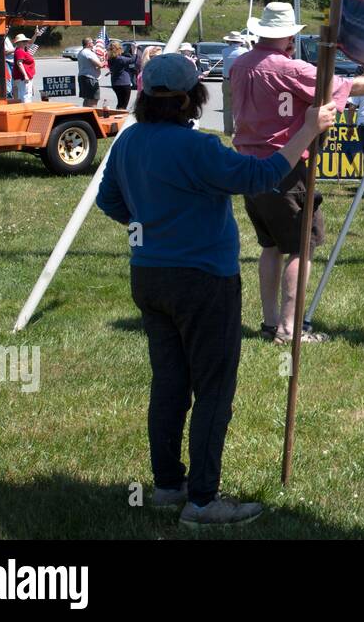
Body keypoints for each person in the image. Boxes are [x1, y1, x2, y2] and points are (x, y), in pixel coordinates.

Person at [96, 52, 338, 527]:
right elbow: (263, 176)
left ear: (144, 97)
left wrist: (151, 223)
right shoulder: (199, 149)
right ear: (191, 99)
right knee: (212, 389)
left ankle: (168, 485)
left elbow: (110, 201)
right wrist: (308, 129)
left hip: (149, 276)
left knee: (169, 382)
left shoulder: (127, 143)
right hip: (204, 282)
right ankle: (202, 501)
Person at [231, 2, 364, 344]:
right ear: (290, 35)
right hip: (283, 166)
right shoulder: (289, 69)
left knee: (271, 245)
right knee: (301, 245)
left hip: (247, 167)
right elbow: (345, 86)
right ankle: (289, 330)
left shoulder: (240, 64)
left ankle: (270, 321)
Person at [220, 32, 249, 136]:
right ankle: (238, 130)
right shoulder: (244, 51)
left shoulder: (224, 51)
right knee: (239, 107)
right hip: (239, 81)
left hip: (227, 80)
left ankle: (228, 130)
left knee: (227, 108)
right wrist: (248, 44)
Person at [107, 40, 137, 110]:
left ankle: (117, 115)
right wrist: (134, 50)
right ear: (118, 49)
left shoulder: (110, 59)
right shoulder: (120, 59)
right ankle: (120, 118)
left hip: (115, 83)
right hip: (123, 83)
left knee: (120, 103)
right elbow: (132, 60)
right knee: (124, 104)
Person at [76, 38, 104, 107]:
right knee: (93, 100)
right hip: (90, 79)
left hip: (83, 77)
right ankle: (91, 116)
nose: (93, 43)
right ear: (88, 44)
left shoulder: (81, 52)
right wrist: (104, 62)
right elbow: (99, 65)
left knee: (87, 99)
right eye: (92, 42)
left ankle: (85, 114)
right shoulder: (88, 52)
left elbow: (91, 64)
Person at [11, 34, 36, 102]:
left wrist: (35, 34)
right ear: (18, 43)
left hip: (26, 77)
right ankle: (26, 111)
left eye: (25, 41)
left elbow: (31, 42)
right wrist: (25, 76)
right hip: (23, 78)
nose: (25, 42)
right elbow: (19, 63)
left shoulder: (23, 50)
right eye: (23, 41)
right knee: (25, 95)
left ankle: (25, 109)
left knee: (26, 94)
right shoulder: (19, 51)